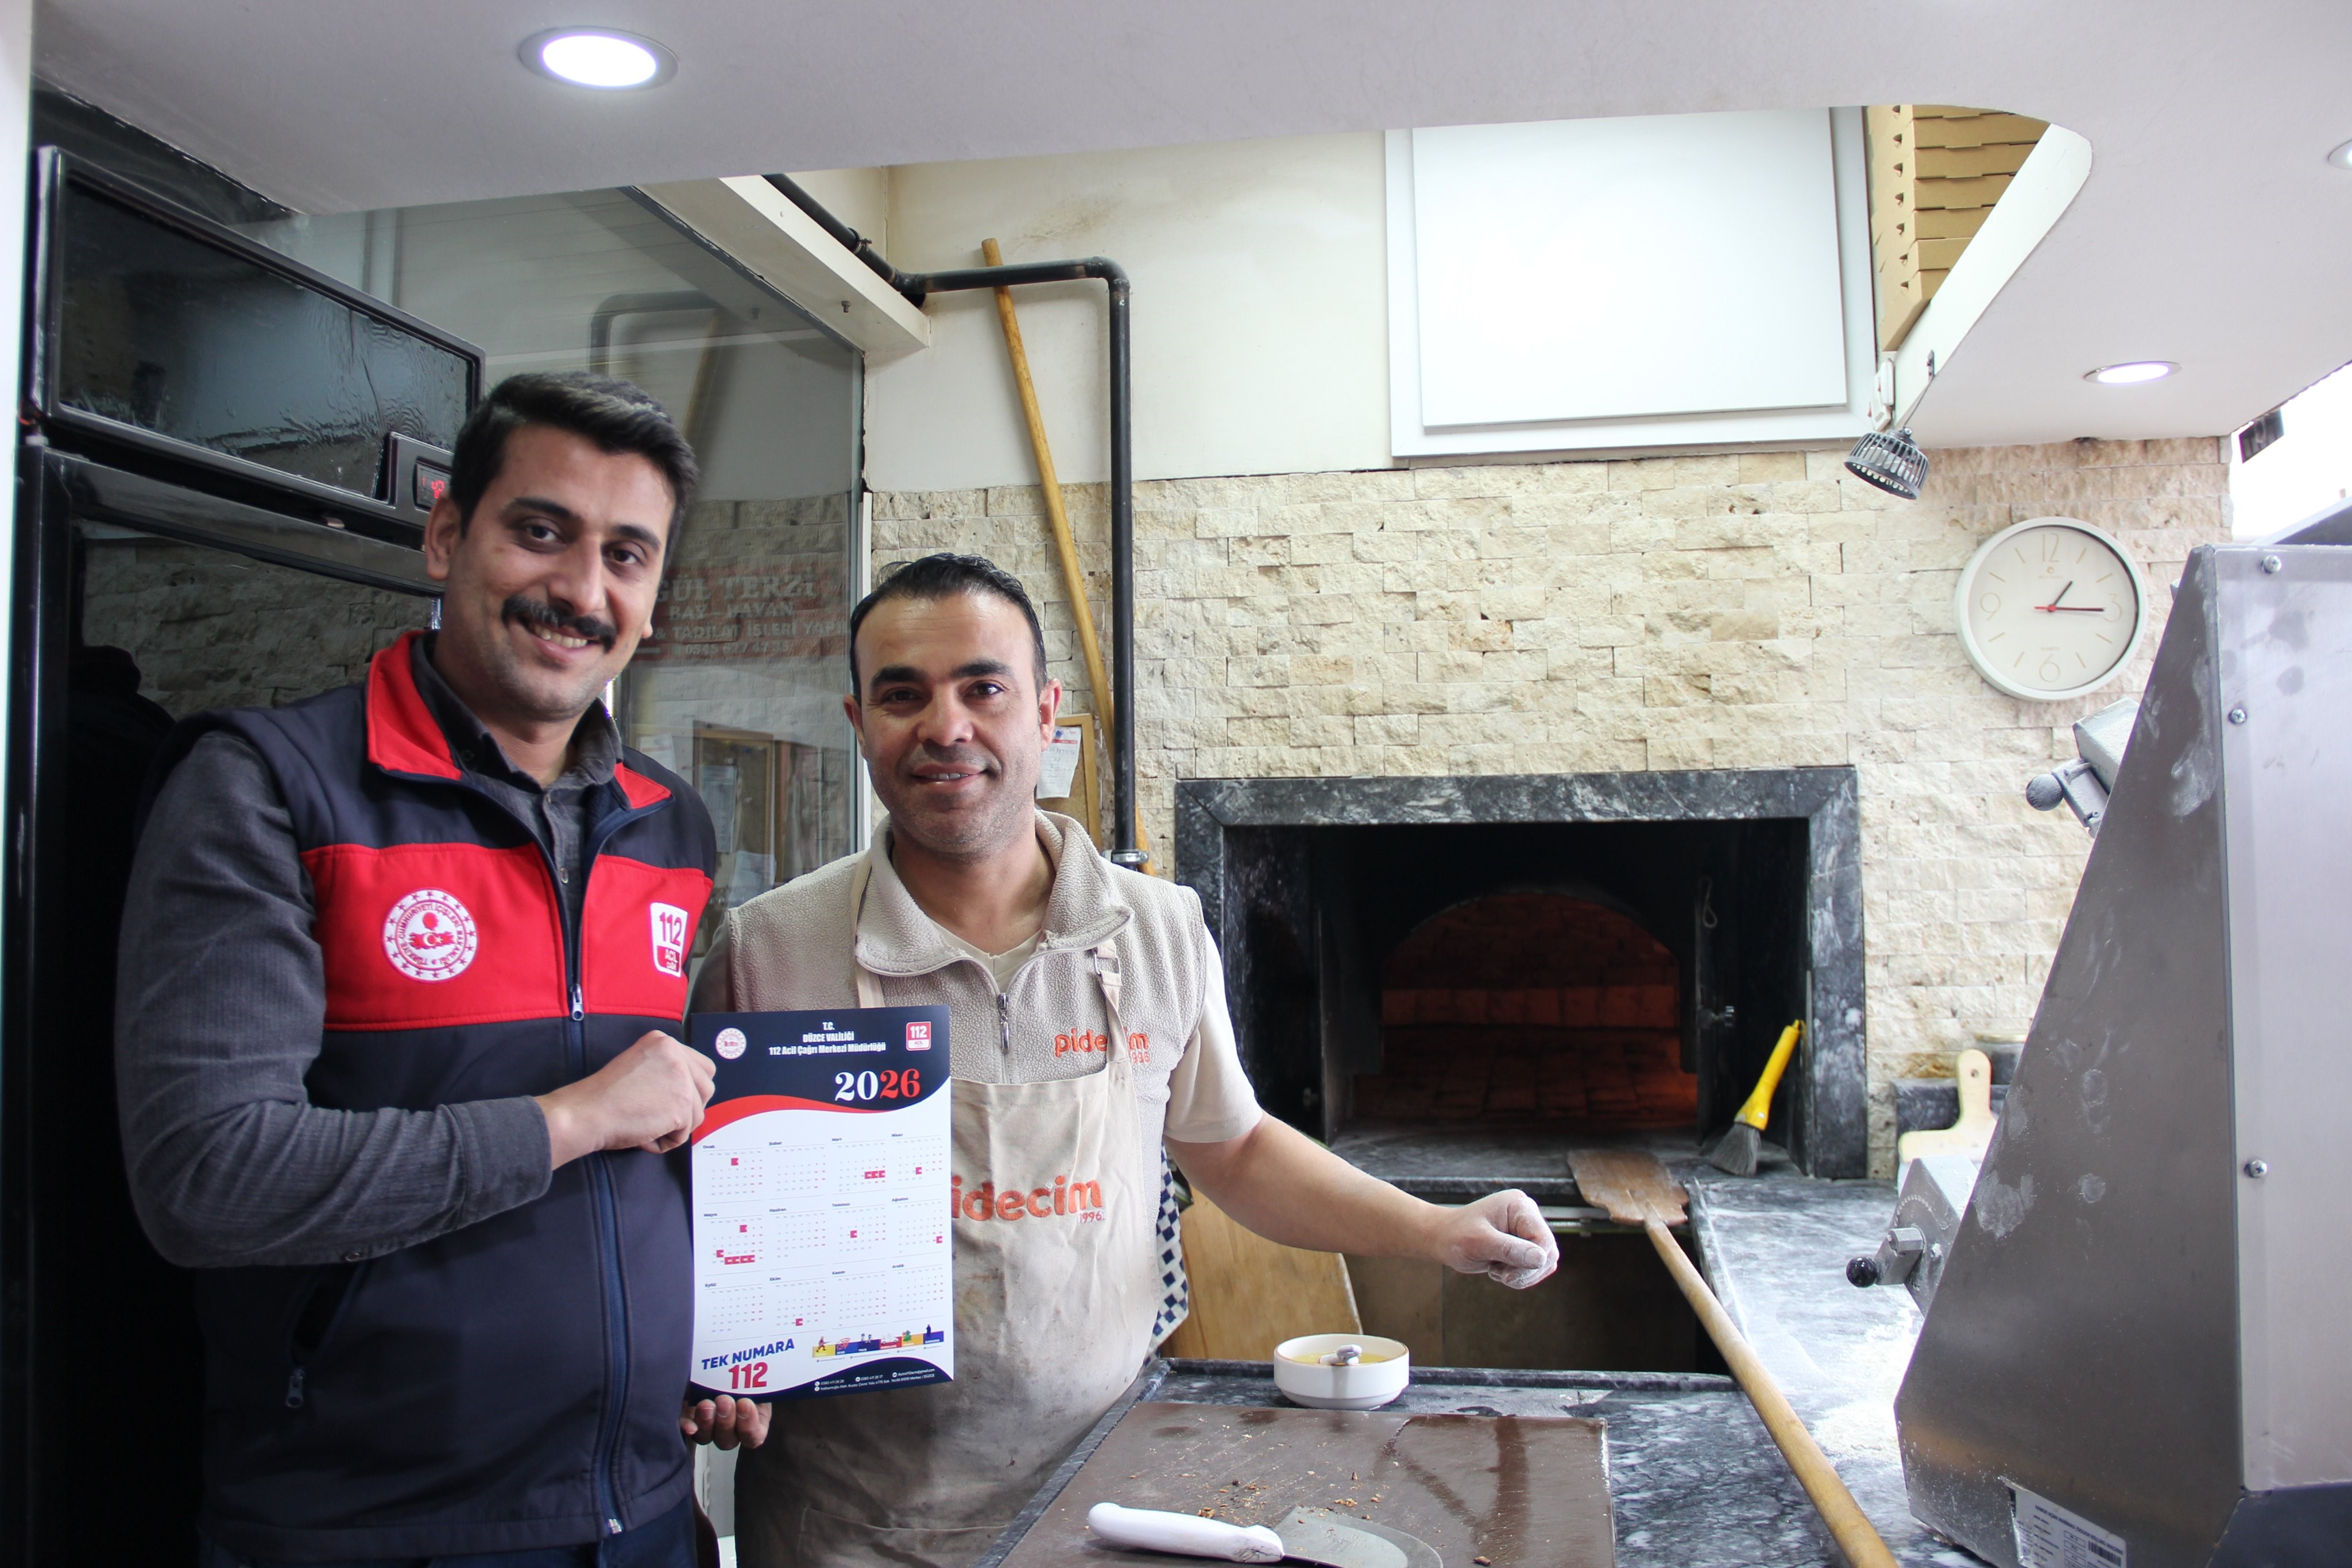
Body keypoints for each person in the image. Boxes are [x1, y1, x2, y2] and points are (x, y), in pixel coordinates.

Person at [693, 553, 1561, 1567]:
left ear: (1045, 713)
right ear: (859, 722)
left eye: (984, 688)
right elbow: (696, 1208)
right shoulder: (769, 950)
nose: (946, 727)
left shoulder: (1157, 931)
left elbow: (1233, 1148)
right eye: (902, 695)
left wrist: (1437, 1230)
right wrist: (711, 1357)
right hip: (853, 1520)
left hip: (1108, 1496)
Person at [115, 371, 771, 1568]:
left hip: (638, 1514)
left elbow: (648, 1156)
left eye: (626, 555)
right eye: (541, 532)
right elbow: (209, 1177)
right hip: (373, 1531)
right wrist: (568, 1120)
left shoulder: (668, 824)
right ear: (443, 536)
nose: (582, 591)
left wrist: (711, 1337)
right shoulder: (269, 789)